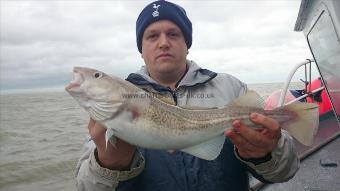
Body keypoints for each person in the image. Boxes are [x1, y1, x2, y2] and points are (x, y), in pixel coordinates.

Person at [75, 1, 299, 190]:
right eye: (152, 36)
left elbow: (286, 172)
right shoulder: (116, 106)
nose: (163, 43)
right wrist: (108, 166)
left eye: (173, 34)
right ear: (141, 50)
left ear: (186, 44)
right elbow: (84, 185)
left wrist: (266, 154)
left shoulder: (231, 87)